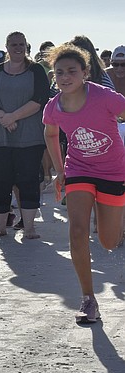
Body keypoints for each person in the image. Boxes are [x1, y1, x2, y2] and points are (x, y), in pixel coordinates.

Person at [42, 44, 125, 323]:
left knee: (109, 241)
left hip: (113, 171)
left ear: (85, 73)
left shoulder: (104, 97)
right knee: (77, 230)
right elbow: (51, 134)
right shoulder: (54, 106)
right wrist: (59, 170)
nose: (65, 77)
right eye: (60, 72)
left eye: (72, 71)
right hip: (78, 169)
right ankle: (89, 299)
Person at [0, 31, 51, 239]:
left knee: (28, 182)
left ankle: (29, 227)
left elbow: (40, 98)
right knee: (0, 182)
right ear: (6, 47)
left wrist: (13, 116)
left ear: (27, 46)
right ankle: (0, 227)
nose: (18, 48)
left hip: (30, 138)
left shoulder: (36, 70)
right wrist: (3, 117)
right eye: (13, 45)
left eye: (21, 44)